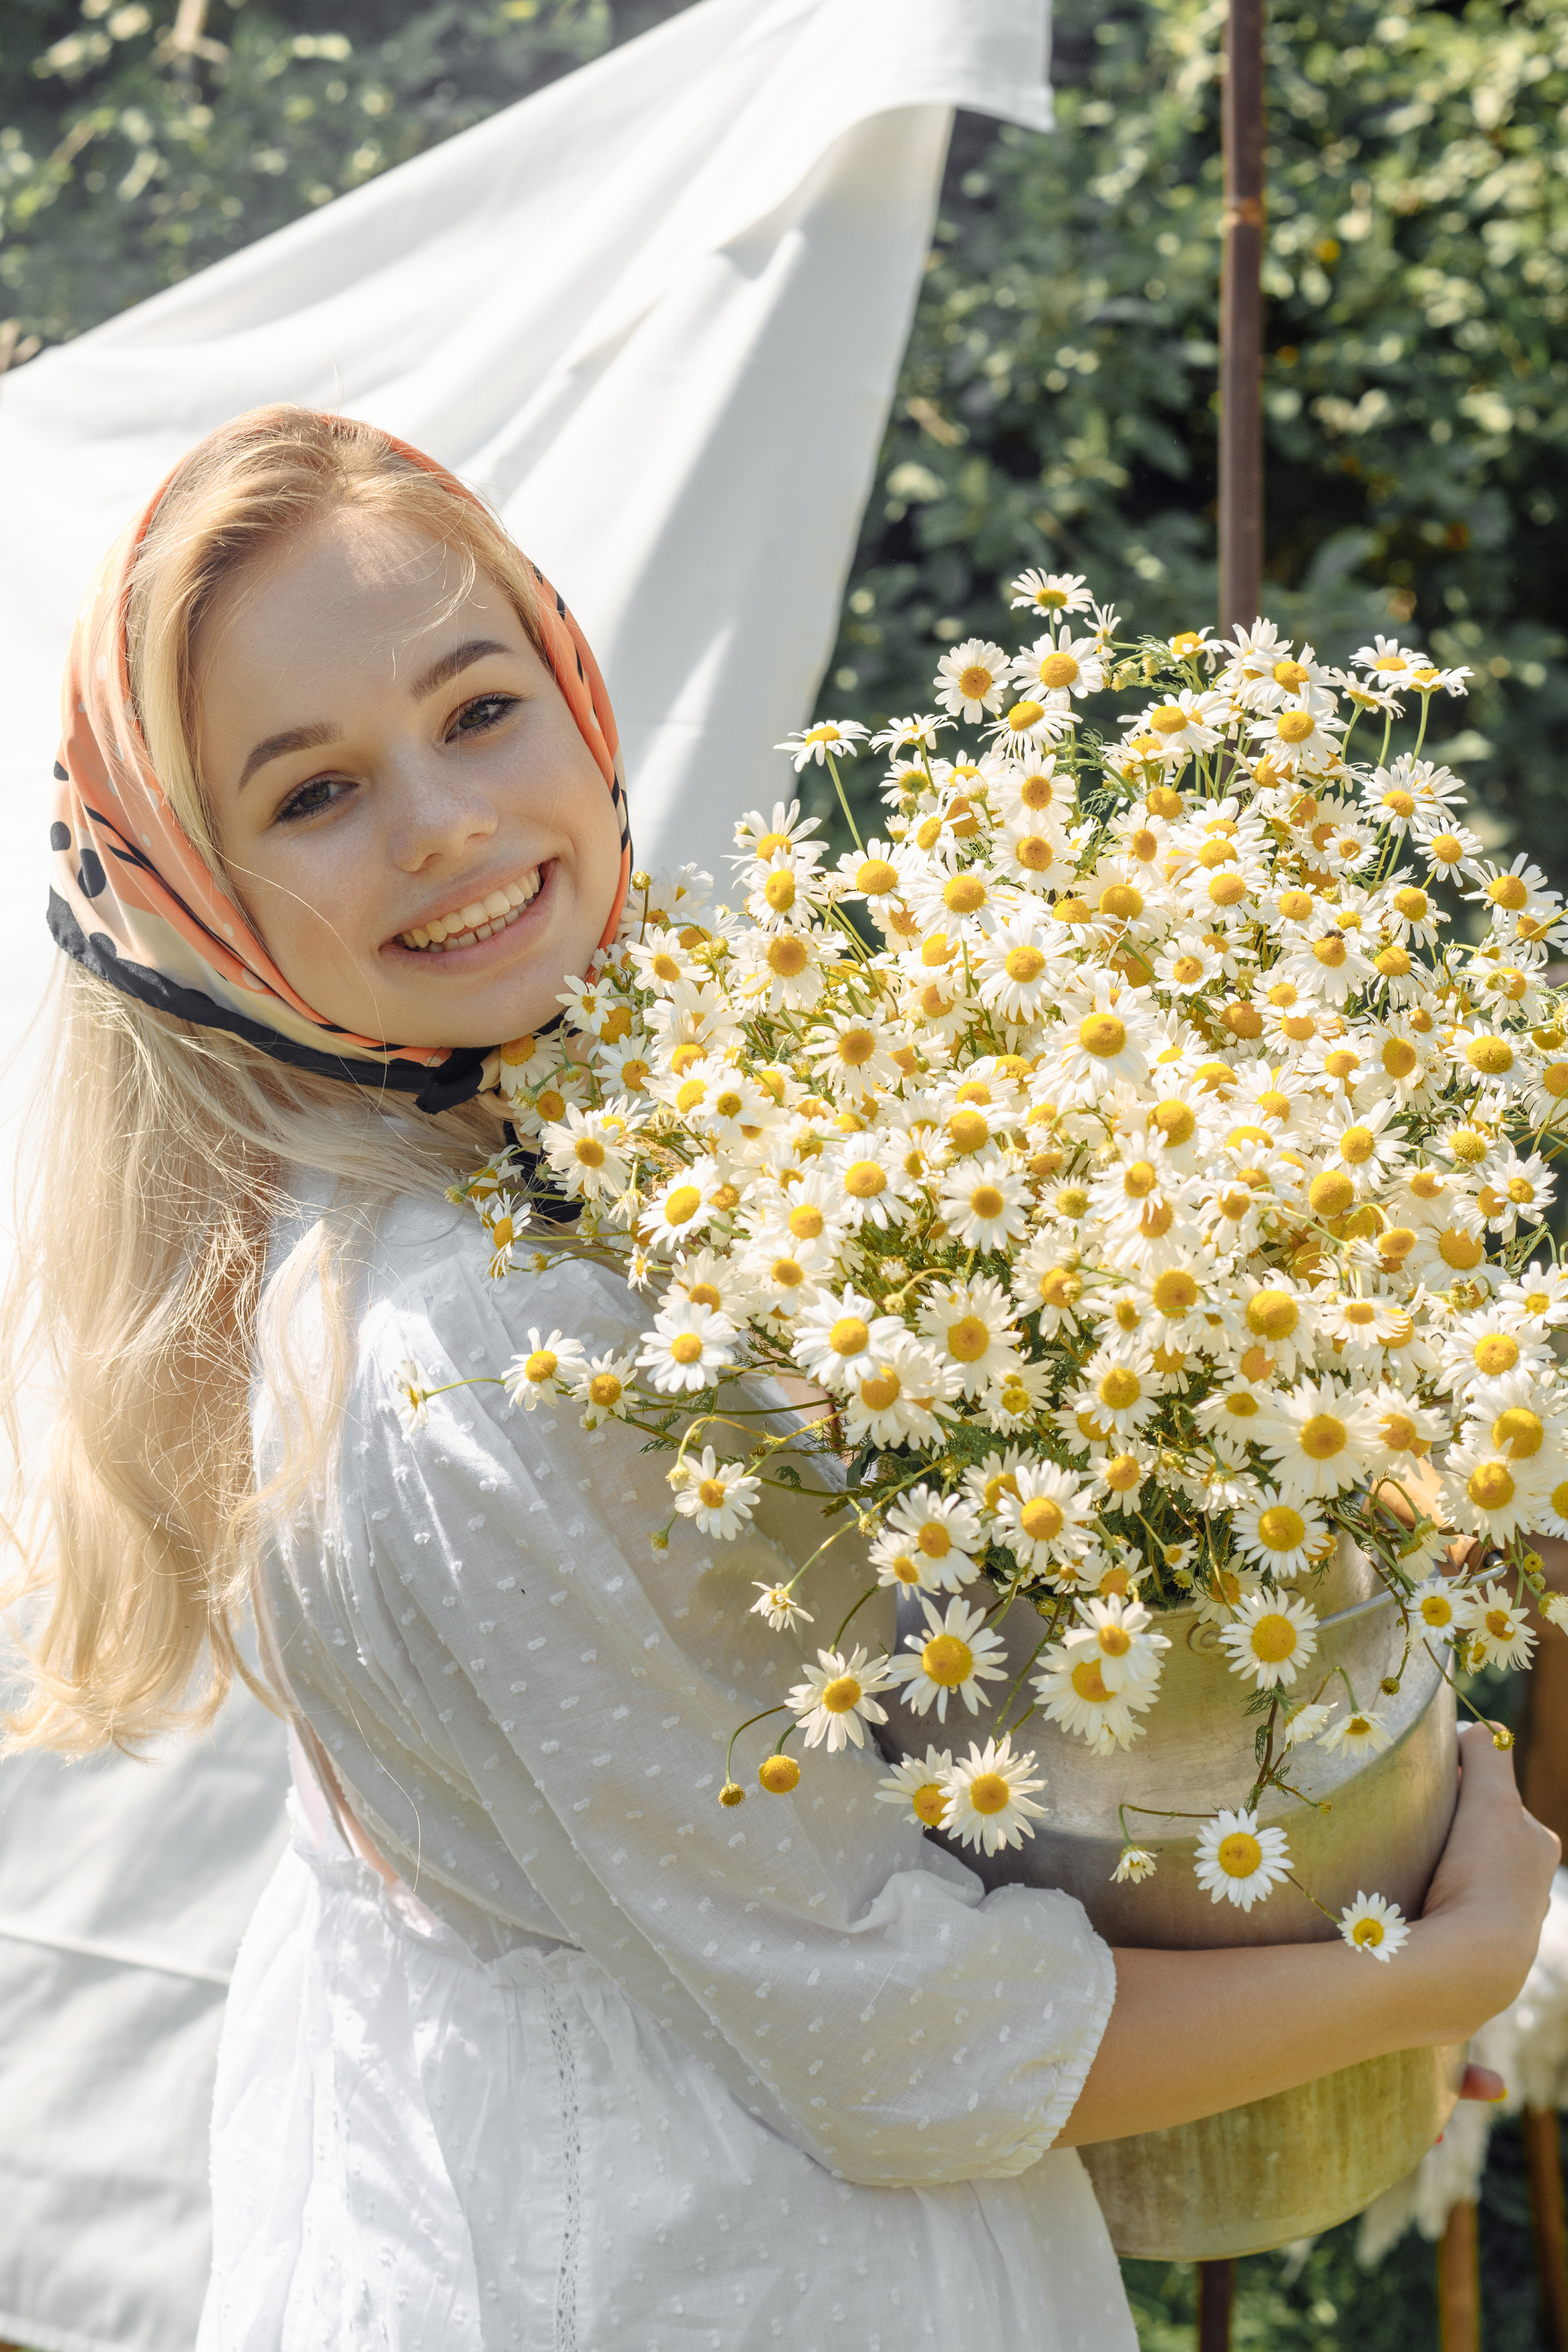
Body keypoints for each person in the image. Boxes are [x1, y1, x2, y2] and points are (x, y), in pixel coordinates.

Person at [3, 406, 1555, 2351]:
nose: (447, 826)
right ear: (194, 899)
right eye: (312, 794)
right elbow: (899, 2053)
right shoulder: (483, 1345)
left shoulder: (515, 1174)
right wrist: (1433, 1971)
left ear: (575, 688)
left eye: (479, 711)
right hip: (714, 2268)